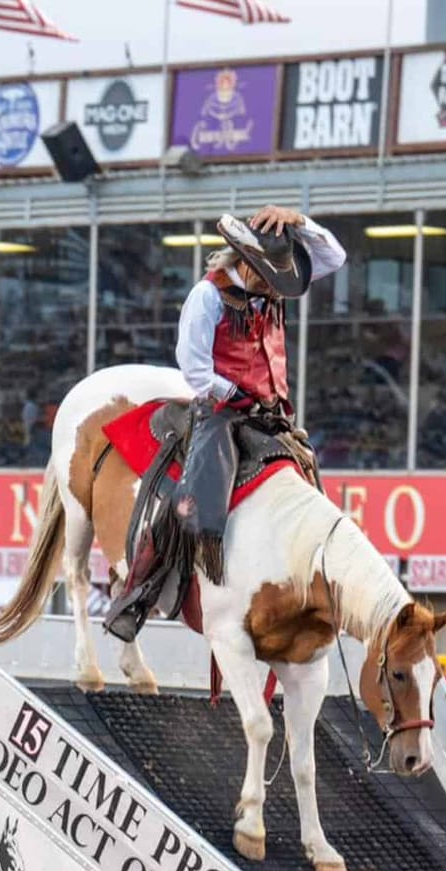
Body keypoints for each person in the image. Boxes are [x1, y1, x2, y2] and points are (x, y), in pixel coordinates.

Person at [105, 205, 346, 642]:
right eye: (270, 277)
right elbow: (193, 367)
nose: (278, 288)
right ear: (247, 267)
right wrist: (236, 395)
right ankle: (136, 592)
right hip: (221, 409)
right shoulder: (208, 295)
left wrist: (299, 223)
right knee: (194, 498)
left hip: (272, 413)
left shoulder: (270, 287)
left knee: (309, 474)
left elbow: (334, 259)